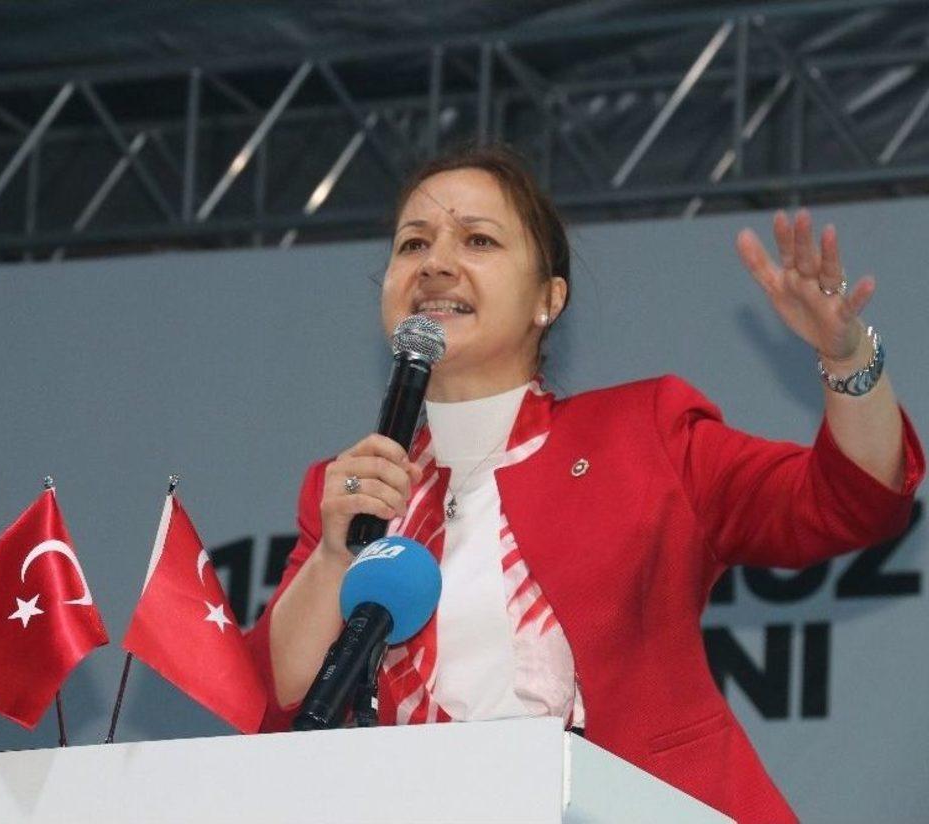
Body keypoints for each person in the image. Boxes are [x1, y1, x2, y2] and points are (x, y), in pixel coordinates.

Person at [243, 145, 923, 823]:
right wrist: (335, 553)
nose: (436, 263)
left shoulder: (643, 433)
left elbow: (851, 500)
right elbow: (278, 705)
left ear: (548, 298)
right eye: (413, 243)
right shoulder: (350, 490)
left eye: (478, 240)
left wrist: (848, 358)